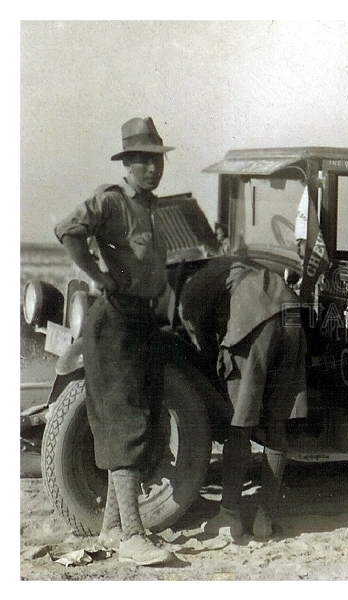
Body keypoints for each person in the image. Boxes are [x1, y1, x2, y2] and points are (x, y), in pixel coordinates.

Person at [54, 117, 176, 565]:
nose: (151, 168)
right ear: (126, 163)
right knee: (124, 422)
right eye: (142, 160)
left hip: (140, 321)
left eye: (157, 160)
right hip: (114, 323)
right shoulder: (112, 201)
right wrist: (97, 274)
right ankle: (133, 538)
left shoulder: (149, 206)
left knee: (139, 416)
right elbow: (68, 229)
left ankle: (112, 528)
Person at [178, 256, 308, 541]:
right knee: (276, 422)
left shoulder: (189, 289)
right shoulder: (233, 265)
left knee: (241, 424)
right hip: (292, 309)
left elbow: (199, 342)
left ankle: (230, 515)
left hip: (255, 317)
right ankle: (265, 518)